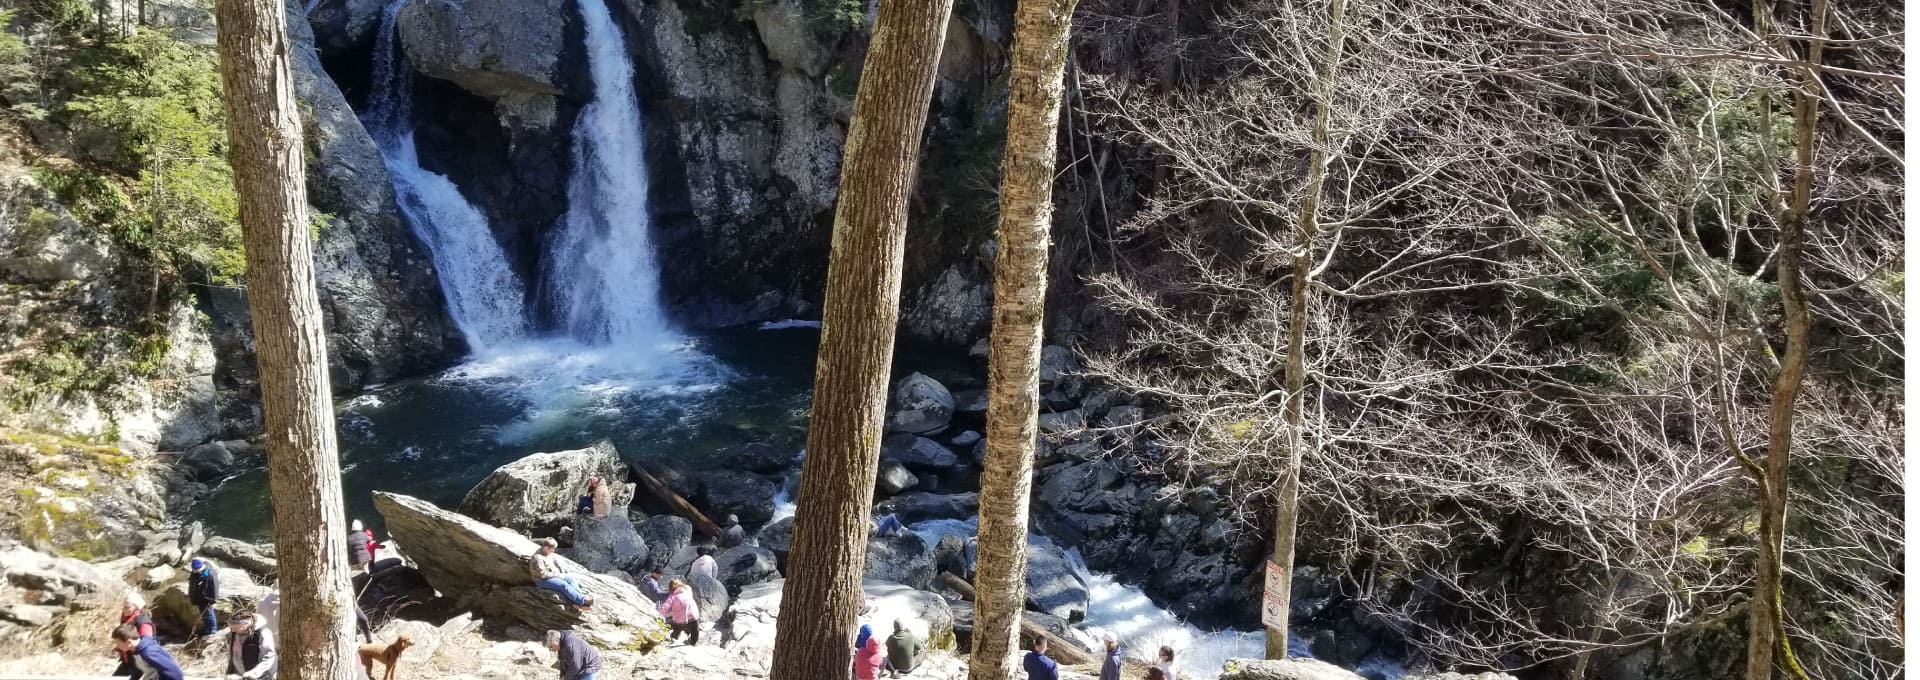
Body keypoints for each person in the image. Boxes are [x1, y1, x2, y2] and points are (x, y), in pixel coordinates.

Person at [528, 538, 594, 609]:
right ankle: (582, 601)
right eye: (552, 549)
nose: (553, 551)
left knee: (571, 579)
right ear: (546, 547)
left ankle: (578, 600)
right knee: (563, 585)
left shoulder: (549, 553)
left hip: (553, 576)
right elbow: (542, 575)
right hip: (541, 581)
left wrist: (562, 570)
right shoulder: (538, 558)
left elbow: (556, 561)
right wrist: (556, 575)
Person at [113, 623, 182, 680]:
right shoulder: (135, 650)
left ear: (129, 642)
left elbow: (174, 672)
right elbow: (138, 670)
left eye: (119, 644)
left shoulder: (148, 653)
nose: (117, 646)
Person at [225, 611, 278, 680]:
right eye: (231, 625)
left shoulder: (263, 633)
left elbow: (269, 657)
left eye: (235, 627)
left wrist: (253, 673)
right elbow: (233, 654)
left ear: (245, 624)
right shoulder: (236, 632)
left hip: (260, 676)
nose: (232, 630)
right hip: (241, 676)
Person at [113, 593, 156, 676]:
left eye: (127, 607)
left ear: (137, 607)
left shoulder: (144, 623)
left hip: (140, 663)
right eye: (123, 607)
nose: (124, 609)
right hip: (129, 660)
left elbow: (147, 643)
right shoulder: (127, 619)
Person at [657, 579, 700, 646]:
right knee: (695, 630)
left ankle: (674, 637)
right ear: (680, 584)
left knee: (677, 628)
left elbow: (666, 607)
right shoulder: (687, 589)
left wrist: (660, 613)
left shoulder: (672, 596)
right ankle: (693, 642)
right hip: (693, 614)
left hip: (680, 617)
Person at [188, 558, 220, 636]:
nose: (196, 571)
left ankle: (212, 631)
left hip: (207, 599)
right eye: (195, 570)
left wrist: (212, 600)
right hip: (199, 598)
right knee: (204, 615)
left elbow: (214, 589)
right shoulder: (195, 572)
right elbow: (192, 584)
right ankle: (207, 629)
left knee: (209, 615)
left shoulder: (210, 575)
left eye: (197, 570)